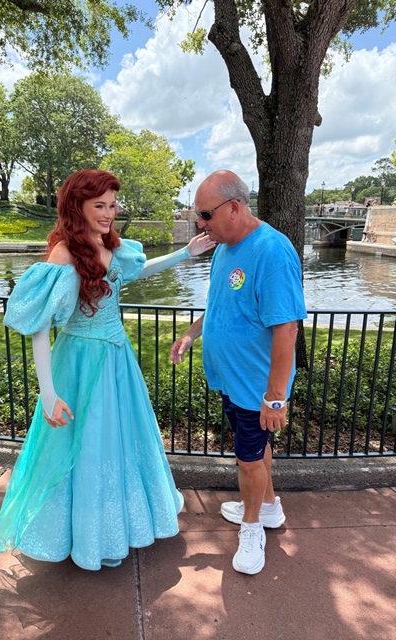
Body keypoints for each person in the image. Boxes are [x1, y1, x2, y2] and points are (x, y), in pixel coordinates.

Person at [0, 169, 215, 570]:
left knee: (118, 440)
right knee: (84, 445)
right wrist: (49, 394)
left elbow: (137, 270)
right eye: (100, 206)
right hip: (79, 362)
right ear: (78, 206)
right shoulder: (63, 253)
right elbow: (39, 327)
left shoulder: (109, 244)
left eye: (112, 205)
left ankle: (114, 528)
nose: (109, 213)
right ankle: (84, 537)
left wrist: (185, 254)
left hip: (117, 360)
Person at [170, 170, 306, 575]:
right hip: (232, 379)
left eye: (205, 214)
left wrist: (275, 397)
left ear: (234, 207)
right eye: (198, 215)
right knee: (256, 449)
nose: (200, 224)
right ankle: (269, 507)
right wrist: (192, 334)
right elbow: (218, 306)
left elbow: (287, 329)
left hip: (255, 385)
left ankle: (252, 529)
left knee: (247, 461)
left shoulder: (272, 251)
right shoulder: (224, 249)